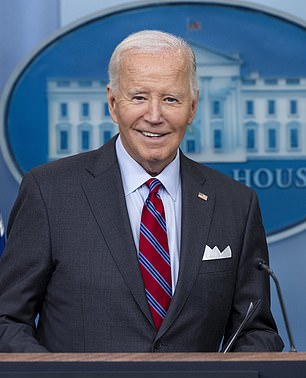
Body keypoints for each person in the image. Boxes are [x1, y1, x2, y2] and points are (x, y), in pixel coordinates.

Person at [0, 30, 283, 352]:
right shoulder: (49, 192)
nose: (154, 116)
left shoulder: (235, 204)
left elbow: (255, 331)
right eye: (138, 97)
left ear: (192, 107)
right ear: (113, 103)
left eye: (170, 99)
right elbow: (7, 321)